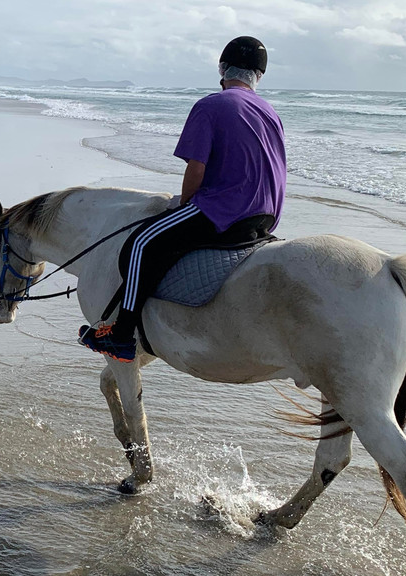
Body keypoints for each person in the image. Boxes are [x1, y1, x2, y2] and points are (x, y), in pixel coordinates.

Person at [79, 36, 286, 362]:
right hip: (266, 214)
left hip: (225, 211)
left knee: (140, 243)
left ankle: (121, 336)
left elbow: (196, 167)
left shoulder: (211, 106)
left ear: (222, 69)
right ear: (259, 75)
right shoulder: (270, 112)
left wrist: (187, 202)